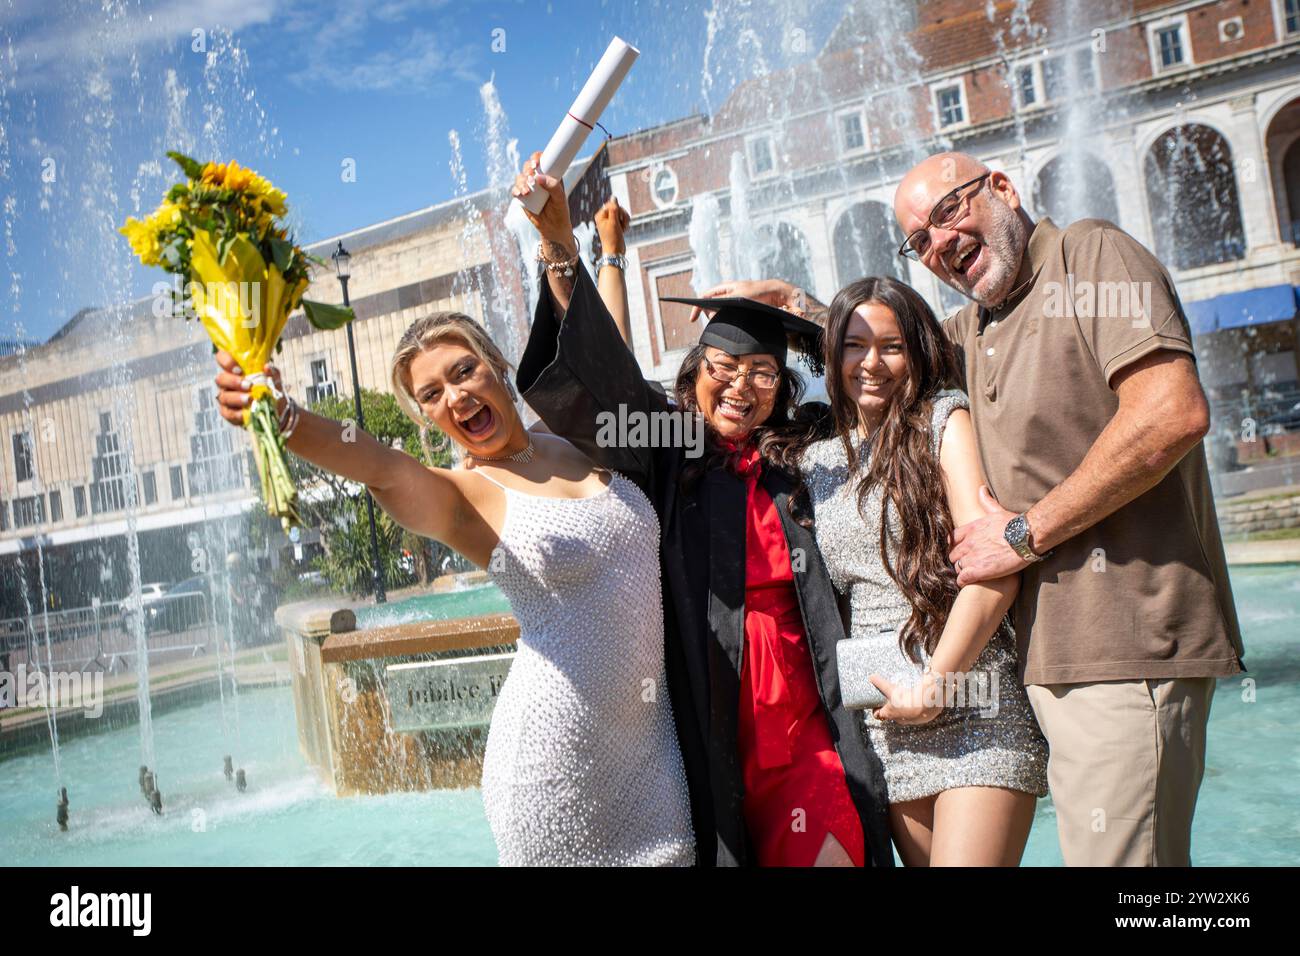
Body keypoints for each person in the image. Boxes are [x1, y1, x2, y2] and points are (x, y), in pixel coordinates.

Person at [511, 151, 893, 868]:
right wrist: (561, 244)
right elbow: (602, 382)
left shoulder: (804, 452)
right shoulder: (670, 446)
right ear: (696, 374)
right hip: (703, 721)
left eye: (763, 374)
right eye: (724, 369)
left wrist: (794, 301)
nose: (742, 387)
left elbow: (874, 374)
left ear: (783, 389)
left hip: (810, 722)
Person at [210, 311, 693, 866]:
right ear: (428, 417)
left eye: (464, 371)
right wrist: (285, 415)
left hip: (651, 750)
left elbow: (611, 360)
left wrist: (606, 253)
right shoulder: (464, 496)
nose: (456, 397)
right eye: (432, 394)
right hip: (556, 766)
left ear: (496, 364)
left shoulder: (573, 433)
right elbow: (382, 468)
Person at [795, 276, 1046, 865]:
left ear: (917, 351)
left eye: (892, 345)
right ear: (832, 354)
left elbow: (994, 571)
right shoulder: (816, 459)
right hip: (883, 717)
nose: (872, 362)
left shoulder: (942, 421)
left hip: (971, 696)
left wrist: (937, 683)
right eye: (854, 345)